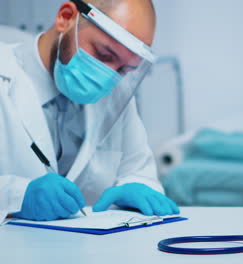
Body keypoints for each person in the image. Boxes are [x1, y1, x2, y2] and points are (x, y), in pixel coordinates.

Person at [0, 0, 179, 222]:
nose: (108, 76)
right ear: (65, 18)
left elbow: (138, 170)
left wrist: (134, 188)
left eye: (125, 69)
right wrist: (15, 196)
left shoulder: (114, 95)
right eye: (104, 54)